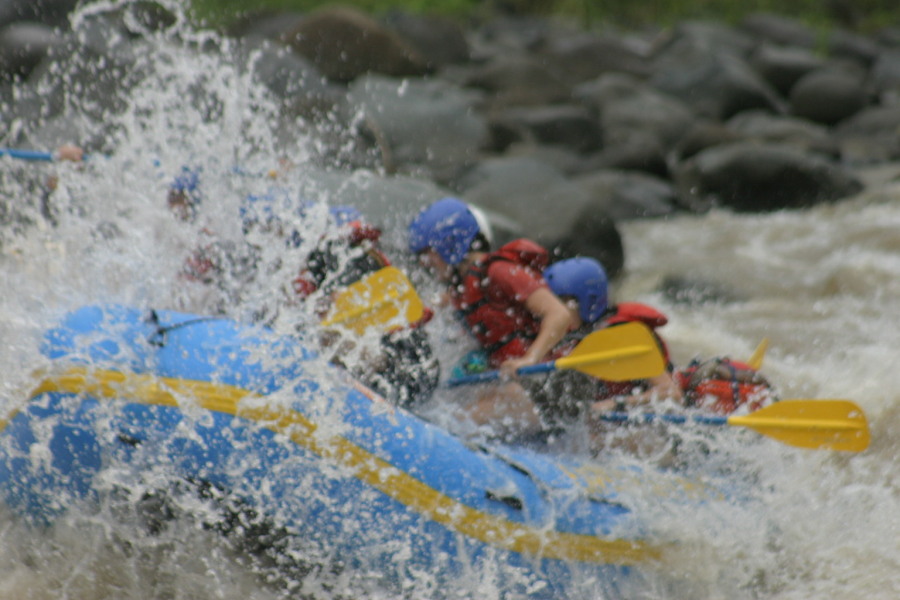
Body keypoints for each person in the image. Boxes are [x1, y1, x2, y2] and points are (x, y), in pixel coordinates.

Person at [408, 197, 577, 435]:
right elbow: (426, 312)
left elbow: (559, 315)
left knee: (455, 420)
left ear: (450, 244)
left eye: (428, 254)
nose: (424, 263)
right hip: (514, 385)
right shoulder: (459, 286)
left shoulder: (500, 272)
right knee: (450, 405)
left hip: (545, 386)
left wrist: (529, 359)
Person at [292, 204, 440, 409]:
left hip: (397, 376)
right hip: (417, 375)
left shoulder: (344, 263)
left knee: (334, 340)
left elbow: (334, 331)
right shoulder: (365, 263)